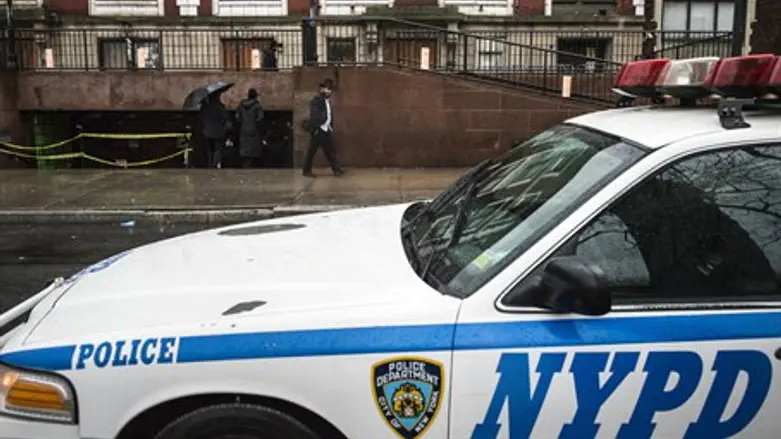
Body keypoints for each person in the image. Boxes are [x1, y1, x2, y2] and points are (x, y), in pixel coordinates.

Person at [302, 78, 344, 177]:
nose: (329, 91)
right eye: (327, 89)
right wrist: (316, 128)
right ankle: (306, 171)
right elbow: (314, 115)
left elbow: (329, 115)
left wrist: (329, 126)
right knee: (311, 151)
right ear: (321, 89)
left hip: (326, 129)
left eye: (330, 89)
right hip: (319, 129)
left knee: (330, 150)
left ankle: (336, 169)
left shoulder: (327, 101)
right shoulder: (317, 100)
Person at [199, 92, 229, 168]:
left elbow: (201, 118)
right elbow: (225, 117)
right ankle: (215, 164)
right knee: (217, 148)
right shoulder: (219, 106)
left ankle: (209, 164)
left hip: (206, 131)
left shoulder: (205, 107)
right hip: (218, 131)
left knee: (209, 149)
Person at [236, 88, 265, 168]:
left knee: (244, 148)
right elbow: (260, 118)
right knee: (253, 149)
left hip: (243, 129)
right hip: (254, 130)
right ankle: (250, 165)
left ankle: (245, 164)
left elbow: (237, 117)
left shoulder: (241, 105)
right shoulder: (257, 106)